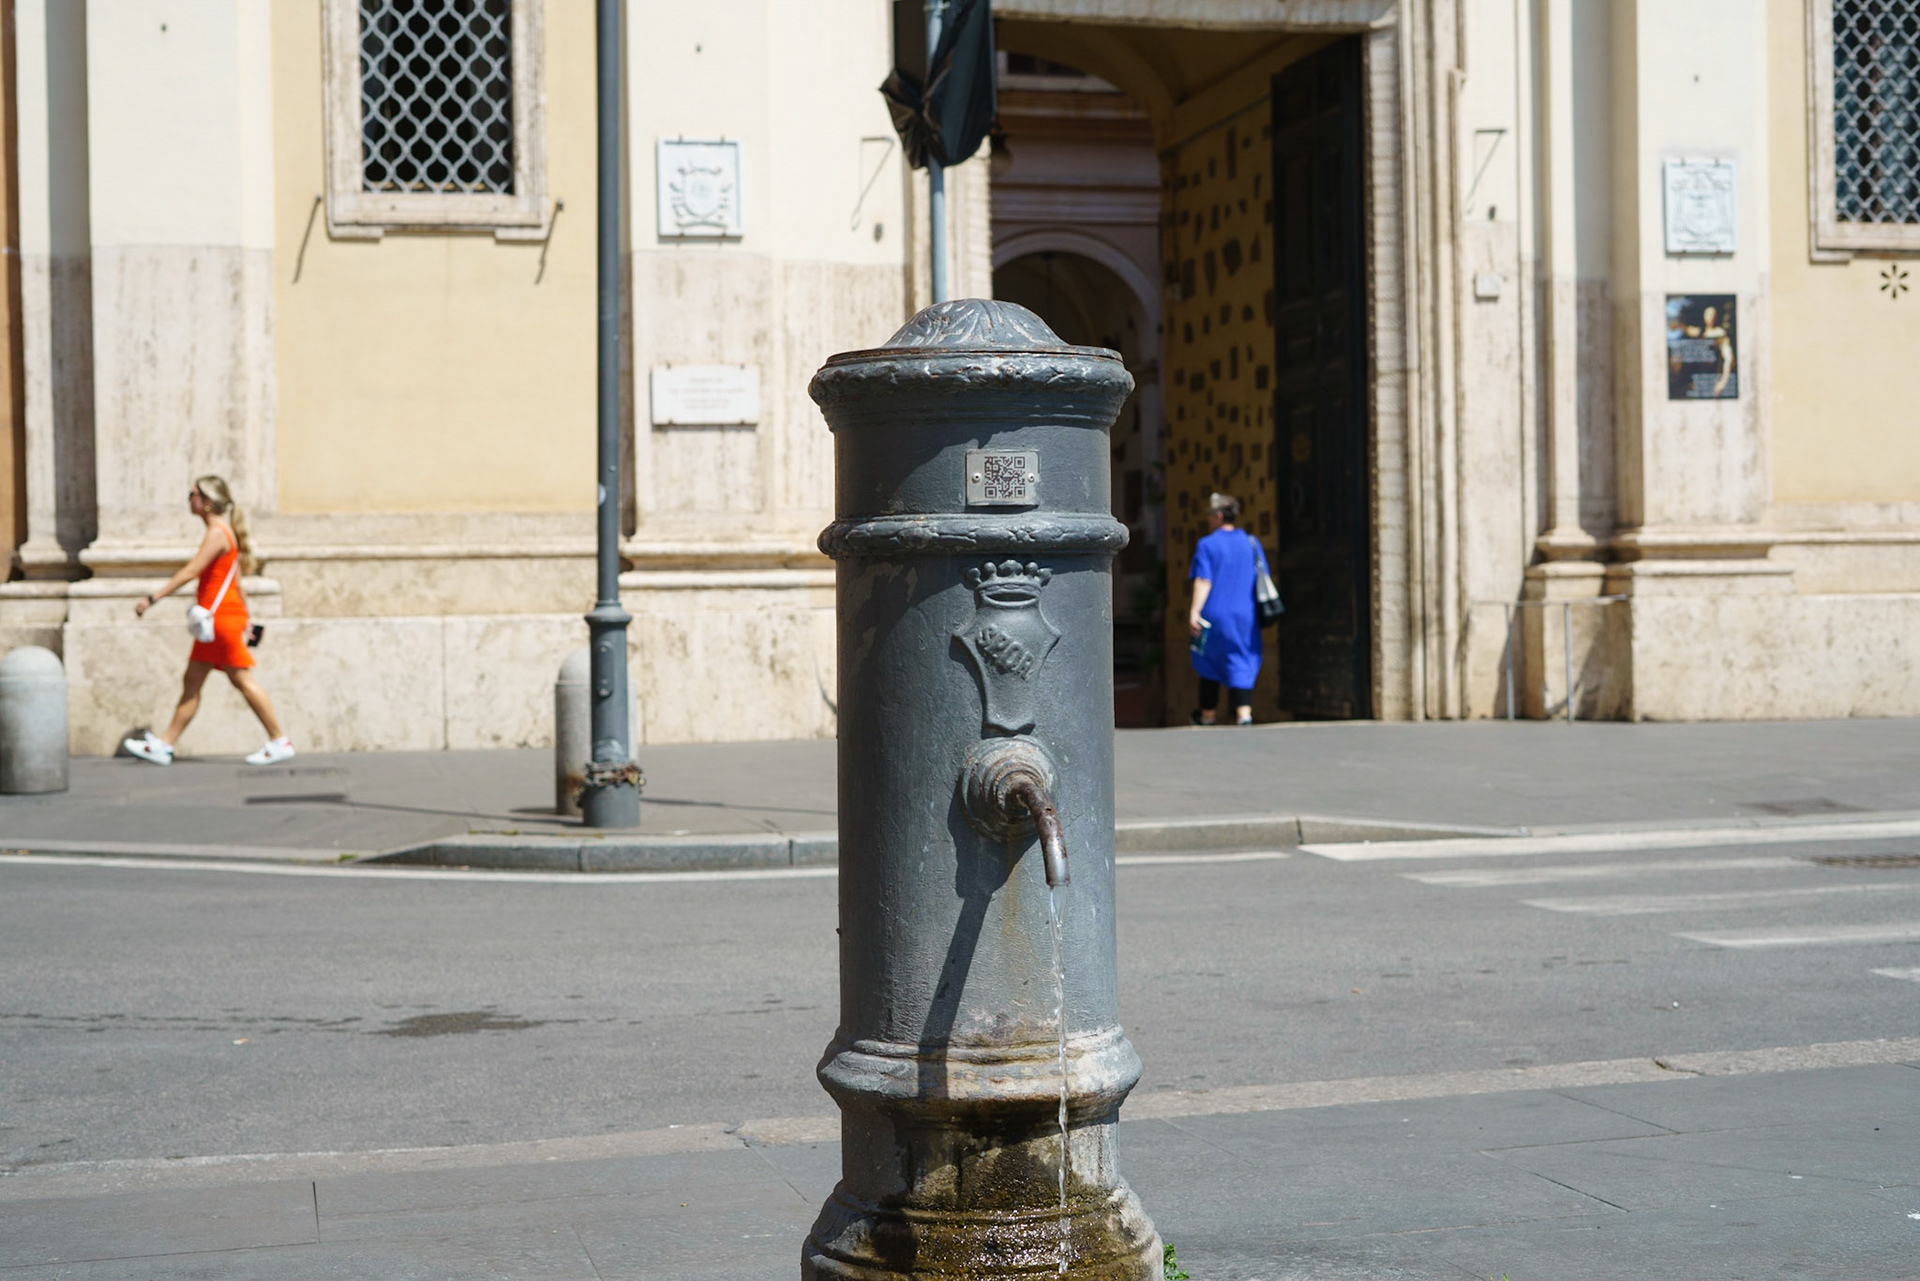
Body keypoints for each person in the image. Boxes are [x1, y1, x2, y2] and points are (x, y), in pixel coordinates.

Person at [122, 475, 294, 766]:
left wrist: (153, 598)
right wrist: (247, 617)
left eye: (193, 495)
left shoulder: (217, 533)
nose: (189, 500)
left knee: (242, 679)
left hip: (221, 621)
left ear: (207, 502)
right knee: (192, 681)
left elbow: (191, 571)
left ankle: (279, 740)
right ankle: (165, 743)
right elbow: (236, 582)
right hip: (221, 619)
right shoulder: (224, 532)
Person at [1187, 491, 1266, 726]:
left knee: (1209, 662)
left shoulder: (1207, 544)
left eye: (1211, 515)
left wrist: (1194, 611)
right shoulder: (1252, 543)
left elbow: (1203, 580)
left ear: (1219, 516)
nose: (1209, 519)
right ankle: (1244, 714)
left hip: (1214, 615)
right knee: (1241, 659)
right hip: (1245, 616)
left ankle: (1208, 715)